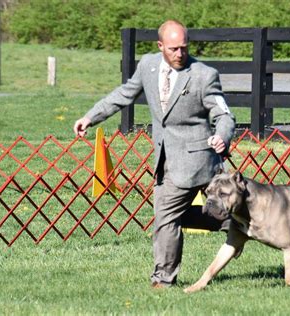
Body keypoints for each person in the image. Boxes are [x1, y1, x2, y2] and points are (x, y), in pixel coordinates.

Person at [73, 20, 235, 288]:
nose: (180, 53)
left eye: (184, 47)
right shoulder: (147, 65)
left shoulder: (204, 74)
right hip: (165, 160)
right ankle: (164, 279)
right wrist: (91, 116)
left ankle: (242, 225)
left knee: (174, 217)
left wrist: (222, 136)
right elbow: (123, 94)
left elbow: (223, 113)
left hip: (200, 159)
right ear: (160, 46)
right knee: (167, 218)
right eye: (173, 48)